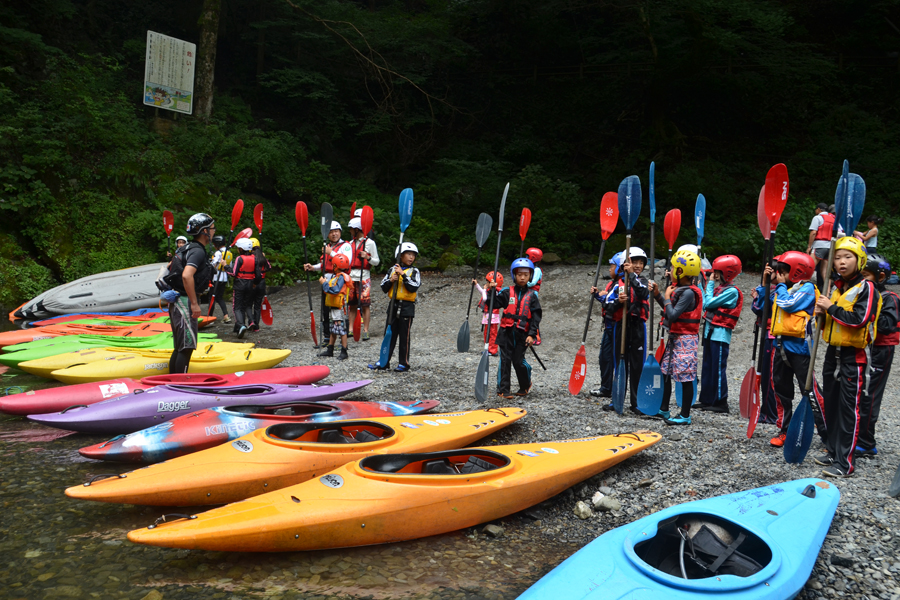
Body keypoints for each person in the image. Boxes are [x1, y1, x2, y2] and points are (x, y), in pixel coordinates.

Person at [813, 236, 881, 478]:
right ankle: (832, 450)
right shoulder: (838, 288)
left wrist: (830, 307)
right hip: (834, 354)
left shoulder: (867, 288)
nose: (842, 262)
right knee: (831, 404)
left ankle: (845, 462)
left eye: (848, 257)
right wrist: (821, 311)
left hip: (854, 357)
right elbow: (827, 322)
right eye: (838, 258)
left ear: (859, 260)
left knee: (848, 409)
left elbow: (859, 319)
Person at [764, 251, 817, 447]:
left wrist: (778, 285)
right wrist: (766, 284)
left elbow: (787, 304)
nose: (779, 275)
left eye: (783, 272)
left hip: (800, 350)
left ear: (796, 272)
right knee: (781, 391)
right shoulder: (781, 288)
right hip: (781, 346)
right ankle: (784, 429)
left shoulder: (807, 288)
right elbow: (762, 307)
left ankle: (825, 431)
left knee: (810, 391)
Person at [648, 248, 702, 425]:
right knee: (665, 372)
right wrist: (657, 294)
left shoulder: (687, 293)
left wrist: (665, 296)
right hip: (675, 338)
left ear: (681, 272)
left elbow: (672, 315)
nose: (669, 271)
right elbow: (668, 308)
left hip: (686, 340)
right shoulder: (679, 289)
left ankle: (685, 415)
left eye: (672, 268)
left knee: (685, 377)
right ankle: (664, 409)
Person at [160, 214, 216, 373]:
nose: (214, 231)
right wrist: (194, 303)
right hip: (185, 301)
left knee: (180, 347)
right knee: (186, 347)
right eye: (212, 228)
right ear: (205, 231)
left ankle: (172, 383)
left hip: (177, 300)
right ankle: (179, 386)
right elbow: (186, 275)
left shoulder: (187, 248)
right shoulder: (197, 251)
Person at [856, 253, 897, 458]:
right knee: (857, 390)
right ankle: (855, 435)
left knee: (869, 395)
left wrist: (871, 310)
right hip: (864, 348)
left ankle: (866, 442)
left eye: (866, 276)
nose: (862, 280)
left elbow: (887, 326)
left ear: (880, 278)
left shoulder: (890, 298)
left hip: (880, 350)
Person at [599, 247, 649, 414]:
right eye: (634, 262)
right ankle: (617, 399)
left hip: (637, 327)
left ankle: (637, 403)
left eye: (641, 263)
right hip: (621, 327)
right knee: (620, 362)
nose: (638, 265)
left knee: (637, 366)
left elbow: (643, 293)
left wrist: (632, 276)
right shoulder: (617, 285)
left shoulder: (643, 281)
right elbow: (607, 305)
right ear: (625, 264)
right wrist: (619, 302)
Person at [486, 257, 542, 398]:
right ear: (514, 275)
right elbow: (495, 304)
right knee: (505, 361)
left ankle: (524, 385)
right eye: (519, 275)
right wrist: (491, 291)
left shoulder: (532, 296)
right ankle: (503, 390)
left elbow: (536, 317)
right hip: (506, 332)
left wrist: (532, 334)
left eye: (526, 275)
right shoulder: (506, 292)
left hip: (522, 333)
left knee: (518, 361)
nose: (522, 278)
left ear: (530, 276)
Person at [697, 255, 743, 413]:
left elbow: (708, 303)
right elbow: (705, 304)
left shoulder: (732, 292)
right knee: (708, 366)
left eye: (717, 272)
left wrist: (708, 285)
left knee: (717, 368)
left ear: (727, 273)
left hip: (720, 334)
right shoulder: (719, 289)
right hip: (710, 332)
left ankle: (721, 402)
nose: (714, 275)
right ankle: (707, 399)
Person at [369, 242, 421, 372]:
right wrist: (391, 280)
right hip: (393, 306)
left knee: (404, 336)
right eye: (408, 254)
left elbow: (414, 286)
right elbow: (383, 287)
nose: (411, 257)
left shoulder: (414, 271)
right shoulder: (392, 270)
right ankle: (384, 361)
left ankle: (404, 363)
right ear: (400, 256)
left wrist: (403, 275)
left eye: (413, 255)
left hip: (407, 307)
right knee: (389, 334)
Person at [304, 222, 353, 347]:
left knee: (338, 310)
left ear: (340, 232)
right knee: (326, 311)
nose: (334, 234)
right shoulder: (328, 246)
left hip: (339, 281)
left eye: (336, 231)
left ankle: (342, 341)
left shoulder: (346, 246)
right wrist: (312, 268)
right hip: (326, 281)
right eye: (331, 232)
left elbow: (345, 262)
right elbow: (324, 265)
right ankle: (327, 338)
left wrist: (330, 252)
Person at [589, 254, 622, 399]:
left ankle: (612, 388)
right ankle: (606, 387)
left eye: (612, 266)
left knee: (612, 358)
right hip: (609, 326)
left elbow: (610, 302)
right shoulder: (612, 284)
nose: (609, 269)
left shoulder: (621, 285)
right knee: (604, 358)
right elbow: (607, 299)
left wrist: (604, 297)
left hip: (616, 327)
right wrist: (598, 295)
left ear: (620, 268)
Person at [347, 216, 380, 341]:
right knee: (352, 305)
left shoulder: (370, 243)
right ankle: (351, 329)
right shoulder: (349, 244)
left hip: (364, 277)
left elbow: (376, 262)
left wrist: (367, 257)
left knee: (365, 305)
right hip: (351, 277)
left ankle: (365, 330)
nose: (350, 231)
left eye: (351, 229)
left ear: (357, 229)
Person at [318, 253, 351, 360]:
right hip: (335, 307)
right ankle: (330, 350)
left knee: (341, 329)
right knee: (333, 328)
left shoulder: (341, 277)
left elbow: (336, 290)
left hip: (340, 308)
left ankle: (344, 351)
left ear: (335, 266)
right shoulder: (337, 276)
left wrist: (324, 284)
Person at [229, 238, 257, 338]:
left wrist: (225, 266)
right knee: (247, 305)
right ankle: (250, 321)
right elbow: (257, 274)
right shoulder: (254, 258)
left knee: (237, 307)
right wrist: (255, 283)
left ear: (241, 249)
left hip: (239, 285)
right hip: (250, 285)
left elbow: (233, 273)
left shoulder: (239, 258)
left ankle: (241, 325)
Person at [807, 203, 835, 294]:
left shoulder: (817, 218)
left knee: (809, 267)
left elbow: (813, 233)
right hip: (830, 246)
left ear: (819, 209)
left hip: (819, 245)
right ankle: (827, 293)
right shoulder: (833, 219)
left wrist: (809, 246)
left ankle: (802, 288)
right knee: (826, 271)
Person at [474, 271, 504, 356]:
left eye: (488, 282)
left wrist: (484, 289)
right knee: (487, 333)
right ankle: (487, 348)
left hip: (493, 316)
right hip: (487, 315)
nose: (487, 284)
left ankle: (493, 350)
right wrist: (477, 285)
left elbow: (484, 298)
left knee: (492, 333)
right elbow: (483, 293)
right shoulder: (488, 290)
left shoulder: (496, 292)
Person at [207, 235, 232, 323]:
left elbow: (212, 265)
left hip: (216, 278)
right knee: (220, 297)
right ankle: (226, 316)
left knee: (212, 297)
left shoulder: (218, 253)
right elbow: (229, 266)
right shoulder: (229, 253)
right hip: (224, 278)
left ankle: (209, 317)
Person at [249, 238, 271, 332]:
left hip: (252, 283)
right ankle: (256, 326)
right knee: (257, 306)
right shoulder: (263, 257)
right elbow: (269, 268)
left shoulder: (250, 257)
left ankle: (251, 322)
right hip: (261, 283)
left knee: (249, 304)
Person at [526, 247, 544, 345]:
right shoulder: (530, 268)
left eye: (527, 256)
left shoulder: (536, 270)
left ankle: (536, 337)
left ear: (533, 257)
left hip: (532, 295)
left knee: (533, 315)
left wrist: (523, 283)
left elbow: (532, 283)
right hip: (528, 294)